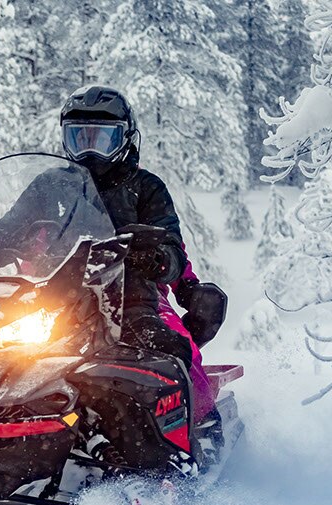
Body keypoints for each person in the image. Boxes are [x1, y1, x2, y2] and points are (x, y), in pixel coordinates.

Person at [59, 85, 216, 419]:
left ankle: (201, 429)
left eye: (101, 140)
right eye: (80, 139)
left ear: (124, 139)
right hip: (54, 299)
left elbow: (172, 247)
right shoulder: (52, 186)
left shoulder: (145, 188)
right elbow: (9, 230)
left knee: (171, 350)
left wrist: (156, 258)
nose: (90, 152)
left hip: (131, 299)